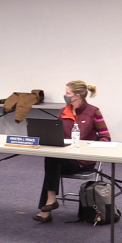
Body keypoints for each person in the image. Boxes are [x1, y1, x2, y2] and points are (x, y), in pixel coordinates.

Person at [33, 80, 111, 223]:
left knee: (52, 162)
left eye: (67, 93)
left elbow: (105, 137)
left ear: (77, 96)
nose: (65, 95)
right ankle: (50, 201)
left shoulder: (93, 111)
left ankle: (47, 208)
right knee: (51, 158)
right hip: (64, 157)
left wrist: (90, 148)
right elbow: (56, 132)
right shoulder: (64, 111)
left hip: (83, 161)